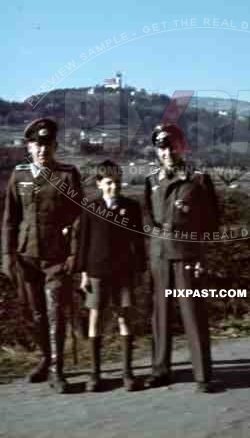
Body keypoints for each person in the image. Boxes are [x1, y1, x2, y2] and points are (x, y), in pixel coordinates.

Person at [1, 118, 82, 393]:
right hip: (26, 257)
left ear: (55, 145)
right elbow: (10, 220)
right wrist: (7, 256)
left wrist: (74, 255)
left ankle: (58, 370)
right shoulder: (19, 175)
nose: (41, 150)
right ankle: (46, 358)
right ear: (29, 147)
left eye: (46, 144)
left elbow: (77, 220)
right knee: (36, 314)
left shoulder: (67, 175)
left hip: (56, 259)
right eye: (36, 144)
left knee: (55, 311)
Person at [144, 124, 219, 393]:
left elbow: (211, 222)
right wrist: (153, 246)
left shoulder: (198, 179)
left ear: (180, 146)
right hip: (160, 254)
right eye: (161, 147)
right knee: (160, 316)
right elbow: (146, 217)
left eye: (170, 145)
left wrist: (201, 256)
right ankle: (160, 370)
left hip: (187, 253)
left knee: (193, 314)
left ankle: (202, 374)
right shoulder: (152, 180)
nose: (166, 152)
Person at [76, 159, 146, 392]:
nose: (113, 187)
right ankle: (95, 374)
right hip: (96, 271)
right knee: (95, 317)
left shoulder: (131, 207)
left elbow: (138, 242)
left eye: (116, 182)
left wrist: (140, 270)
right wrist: (84, 274)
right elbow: (83, 242)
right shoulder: (90, 207)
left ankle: (128, 373)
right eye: (108, 183)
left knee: (124, 317)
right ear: (98, 183)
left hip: (123, 272)